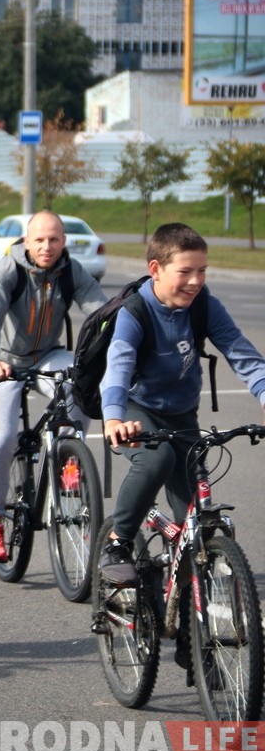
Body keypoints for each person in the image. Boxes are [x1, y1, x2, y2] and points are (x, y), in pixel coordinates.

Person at [98, 223, 265, 585]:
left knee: (193, 521)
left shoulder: (204, 305)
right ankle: (118, 542)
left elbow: (241, 353)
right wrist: (113, 418)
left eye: (202, 270)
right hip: (135, 409)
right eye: (185, 271)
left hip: (182, 412)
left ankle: (190, 608)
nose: (195, 281)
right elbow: (119, 366)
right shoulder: (135, 311)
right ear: (155, 269)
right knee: (157, 459)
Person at [0, 210, 105, 562]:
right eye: (39, 240)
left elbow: (101, 314)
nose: (47, 246)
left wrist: (118, 346)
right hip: (3, 361)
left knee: (84, 388)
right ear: (27, 241)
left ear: (63, 241)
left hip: (47, 355)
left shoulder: (71, 270)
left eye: (54, 239)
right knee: (2, 439)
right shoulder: (8, 270)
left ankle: (67, 462)